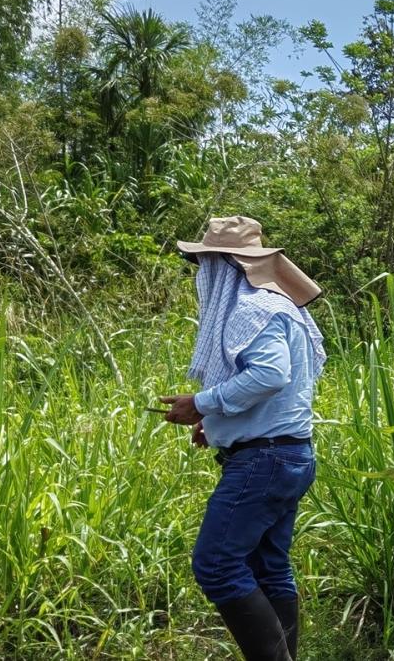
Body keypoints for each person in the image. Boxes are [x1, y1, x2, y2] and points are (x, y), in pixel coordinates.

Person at [159, 216, 327, 660]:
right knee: (269, 567)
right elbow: (278, 390)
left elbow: (270, 375)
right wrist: (217, 425)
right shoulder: (279, 305)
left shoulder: (251, 307)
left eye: (205, 262)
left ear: (223, 263)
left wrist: (203, 403)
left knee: (216, 565)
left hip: (266, 461)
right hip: (288, 454)